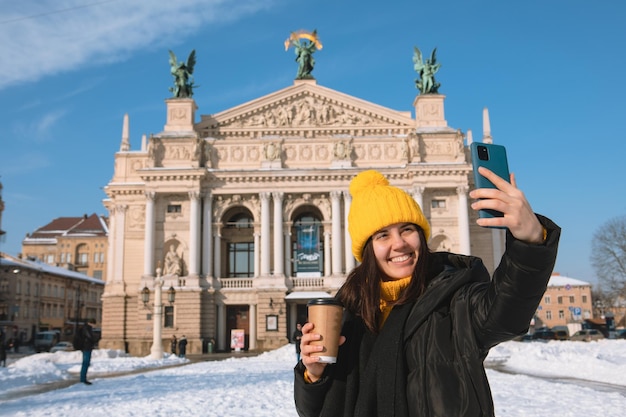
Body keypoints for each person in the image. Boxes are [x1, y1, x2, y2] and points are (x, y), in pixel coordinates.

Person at [294, 168, 560, 417]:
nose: (398, 244)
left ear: (421, 236)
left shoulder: (454, 297)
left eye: (407, 229)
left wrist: (530, 242)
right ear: (368, 250)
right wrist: (315, 375)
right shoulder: (348, 313)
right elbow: (317, 411)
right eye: (383, 235)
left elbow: (506, 314)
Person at [78, 318, 97, 385]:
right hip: (86, 348)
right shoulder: (87, 328)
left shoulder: (85, 328)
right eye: (94, 324)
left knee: (86, 363)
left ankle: (83, 378)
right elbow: (90, 337)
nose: (95, 325)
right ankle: (83, 379)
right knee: (85, 363)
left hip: (86, 347)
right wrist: (94, 339)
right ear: (91, 323)